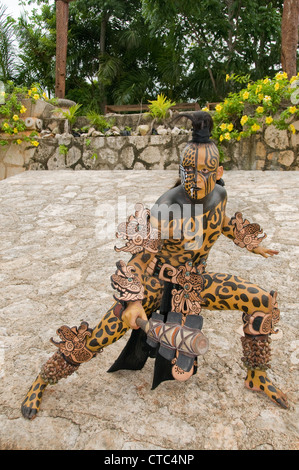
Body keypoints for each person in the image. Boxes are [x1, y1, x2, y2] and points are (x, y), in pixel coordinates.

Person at [21, 111, 288, 420]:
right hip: (155, 283)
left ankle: (256, 375)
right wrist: (133, 301)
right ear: (181, 168)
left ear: (218, 171)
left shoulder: (221, 196)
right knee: (102, 333)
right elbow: (137, 260)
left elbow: (221, 222)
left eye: (205, 171)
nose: (195, 178)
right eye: (189, 169)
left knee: (262, 302)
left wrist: (250, 241)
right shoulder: (166, 207)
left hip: (196, 282)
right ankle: (44, 378)